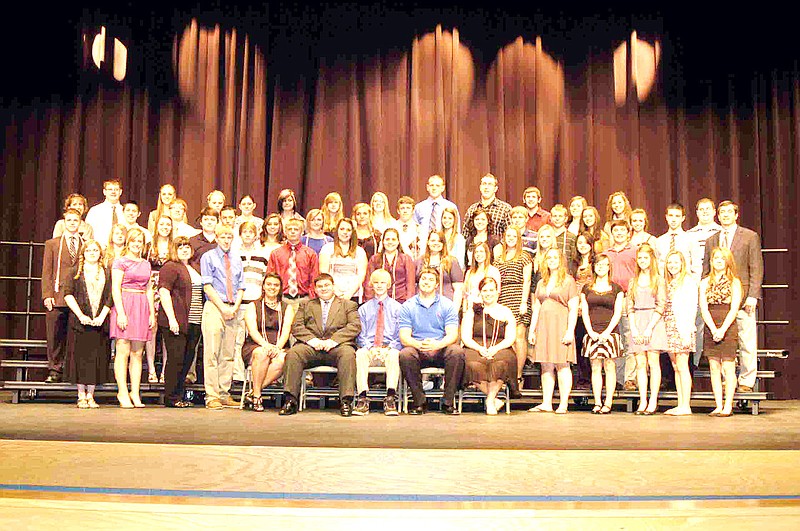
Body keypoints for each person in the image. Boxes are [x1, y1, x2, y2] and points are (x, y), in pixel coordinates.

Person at [701, 200, 763, 393]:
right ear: (717, 216)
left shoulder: (749, 237)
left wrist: (753, 295)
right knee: (721, 343)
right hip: (718, 303)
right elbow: (706, 271)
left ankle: (746, 381)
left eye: (729, 212)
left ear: (736, 215)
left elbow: (756, 268)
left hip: (743, 299)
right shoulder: (712, 240)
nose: (725, 215)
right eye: (722, 213)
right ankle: (723, 383)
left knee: (746, 340)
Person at [279, 273, 361, 416]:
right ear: (315, 290)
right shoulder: (306, 305)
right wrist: (313, 340)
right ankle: (290, 400)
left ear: (333, 286)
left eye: (326, 285)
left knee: (348, 354)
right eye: (320, 286)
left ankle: (346, 402)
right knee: (293, 353)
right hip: (312, 347)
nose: (323, 289)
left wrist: (333, 341)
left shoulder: (348, 305)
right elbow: (297, 327)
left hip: (337, 347)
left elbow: (354, 326)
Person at [398, 267, 465, 415]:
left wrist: (437, 344)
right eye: (423, 279)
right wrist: (419, 345)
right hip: (419, 349)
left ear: (436, 285)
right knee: (405, 354)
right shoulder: (407, 306)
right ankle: (419, 402)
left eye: (430, 280)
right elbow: (404, 336)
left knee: (457, 352)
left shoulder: (447, 305)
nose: (426, 282)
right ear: (418, 282)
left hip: (441, 349)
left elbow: (452, 334)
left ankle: (448, 402)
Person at [528, 249, 579, 414]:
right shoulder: (542, 282)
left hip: (560, 324)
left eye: (555, 257)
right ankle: (546, 403)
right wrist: (532, 330)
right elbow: (536, 307)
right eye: (549, 257)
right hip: (544, 325)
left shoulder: (568, 281)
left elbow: (573, 307)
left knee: (562, 364)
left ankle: (563, 403)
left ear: (561, 260)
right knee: (546, 364)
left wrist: (570, 331)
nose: (552, 260)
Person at [200, 224, 245, 410]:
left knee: (228, 353)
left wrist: (234, 307)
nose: (226, 240)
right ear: (216, 238)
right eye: (223, 237)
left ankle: (224, 392)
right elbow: (207, 286)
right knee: (212, 352)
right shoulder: (208, 257)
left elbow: (241, 286)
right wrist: (223, 307)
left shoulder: (237, 259)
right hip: (215, 306)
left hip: (232, 307)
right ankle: (212, 395)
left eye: (229, 237)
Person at [110, 227, 155, 408]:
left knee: (138, 353)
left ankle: (135, 392)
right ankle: (122, 391)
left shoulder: (146, 263)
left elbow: (149, 289)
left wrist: (152, 312)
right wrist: (120, 312)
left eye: (140, 241)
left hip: (141, 305)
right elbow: (115, 288)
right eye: (134, 241)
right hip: (125, 303)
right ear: (128, 242)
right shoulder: (120, 262)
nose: (137, 244)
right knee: (123, 351)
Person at [63, 239, 111, 408]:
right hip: (80, 322)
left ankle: (91, 395)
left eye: (95, 251)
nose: (92, 253)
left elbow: (110, 297)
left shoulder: (106, 272)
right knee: (80, 359)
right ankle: (81, 395)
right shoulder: (75, 271)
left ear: (100, 253)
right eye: (89, 250)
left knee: (95, 359)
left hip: (99, 322)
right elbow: (68, 295)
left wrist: (102, 316)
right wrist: (81, 315)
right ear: (83, 253)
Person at [158, 237, 204, 408]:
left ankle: (179, 395)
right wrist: (171, 318)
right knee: (176, 359)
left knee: (187, 359)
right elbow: (164, 292)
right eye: (180, 247)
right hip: (176, 320)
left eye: (187, 246)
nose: (184, 249)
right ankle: (171, 397)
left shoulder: (193, 268)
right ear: (174, 250)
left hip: (194, 321)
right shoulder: (170, 267)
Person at [461, 277, 518, 415]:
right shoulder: (472, 311)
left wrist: (496, 348)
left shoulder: (506, 311)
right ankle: (494, 399)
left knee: (501, 363)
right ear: (480, 293)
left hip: (501, 347)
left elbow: (511, 337)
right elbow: (466, 337)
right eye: (485, 290)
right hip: (475, 346)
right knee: (471, 364)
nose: (488, 293)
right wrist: (479, 349)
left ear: (498, 292)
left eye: (491, 290)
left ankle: (490, 400)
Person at [241, 273, 295, 412]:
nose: (272, 287)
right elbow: (252, 330)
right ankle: (258, 396)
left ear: (280, 288)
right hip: (256, 344)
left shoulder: (287, 307)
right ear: (263, 286)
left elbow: (286, 331)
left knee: (283, 358)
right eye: (269, 284)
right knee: (261, 353)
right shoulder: (253, 306)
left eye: (276, 285)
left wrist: (277, 347)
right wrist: (265, 345)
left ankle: (253, 393)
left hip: (279, 345)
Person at [42, 208, 84, 383]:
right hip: (58, 296)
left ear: (80, 223)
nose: (73, 223)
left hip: (78, 298)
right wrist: (47, 294)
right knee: (55, 335)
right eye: (69, 220)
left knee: (76, 336)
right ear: (64, 223)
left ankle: (72, 371)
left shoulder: (86, 244)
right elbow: (47, 271)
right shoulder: (53, 244)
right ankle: (54, 370)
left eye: (76, 220)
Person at [700, 247, 743, 417]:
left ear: (727, 261)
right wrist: (713, 329)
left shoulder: (735, 282)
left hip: (728, 325)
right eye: (715, 258)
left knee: (728, 367)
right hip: (711, 325)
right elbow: (704, 308)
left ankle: (728, 405)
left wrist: (723, 329)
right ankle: (718, 405)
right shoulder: (705, 282)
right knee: (714, 367)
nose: (718, 261)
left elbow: (734, 309)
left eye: (721, 258)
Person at [354, 269, 403, 416]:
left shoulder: (398, 308)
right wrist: (370, 348)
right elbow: (359, 335)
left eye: (383, 283)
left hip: (388, 349)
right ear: (371, 285)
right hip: (370, 350)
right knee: (360, 354)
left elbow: (401, 335)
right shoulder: (363, 309)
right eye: (376, 282)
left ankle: (390, 398)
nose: (379, 285)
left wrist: (388, 348)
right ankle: (362, 398)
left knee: (395, 355)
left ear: (389, 285)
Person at [626, 243, 668, 414]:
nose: (643, 261)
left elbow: (661, 305)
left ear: (651, 259)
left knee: (653, 362)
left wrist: (649, 328)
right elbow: (629, 306)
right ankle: (642, 400)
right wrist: (634, 329)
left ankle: (653, 400)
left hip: (654, 322)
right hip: (638, 320)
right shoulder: (632, 281)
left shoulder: (658, 279)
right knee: (640, 363)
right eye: (640, 258)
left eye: (646, 257)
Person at [580, 254, 624, 414]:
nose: (601, 267)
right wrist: (590, 331)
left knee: (610, 366)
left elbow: (618, 312)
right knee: (595, 366)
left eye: (605, 265)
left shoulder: (616, 288)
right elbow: (584, 312)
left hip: (610, 331)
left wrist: (607, 332)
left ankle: (608, 402)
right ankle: (597, 401)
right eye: (598, 264)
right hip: (592, 331)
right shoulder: (587, 288)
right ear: (594, 267)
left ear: (609, 267)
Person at [493, 226, 533, 387]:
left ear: (518, 238)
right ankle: (507, 375)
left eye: (513, 236)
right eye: (508, 235)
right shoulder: (498, 258)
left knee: (518, 337)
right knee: (506, 339)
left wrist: (524, 302)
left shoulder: (524, 256)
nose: (510, 238)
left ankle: (518, 376)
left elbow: (527, 280)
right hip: (503, 298)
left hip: (518, 297)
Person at [234, 221, 271, 381]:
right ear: (240, 235)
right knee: (237, 340)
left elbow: (265, 280)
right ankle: (238, 375)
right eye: (245, 232)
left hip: (255, 304)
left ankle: (254, 376)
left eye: (251, 232)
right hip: (239, 304)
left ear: (256, 235)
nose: (248, 235)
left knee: (255, 339)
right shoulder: (234, 254)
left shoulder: (263, 256)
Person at [662, 250, 698, 416]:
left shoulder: (688, 282)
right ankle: (680, 403)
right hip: (668, 326)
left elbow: (691, 308)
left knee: (683, 366)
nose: (672, 265)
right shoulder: (668, 282)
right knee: (676, 366)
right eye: (670, 262)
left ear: (683, 264)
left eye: (676, 262)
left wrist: (686, 331)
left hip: (682, 327)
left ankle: (686, 405)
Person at [686, 198, 721, 367]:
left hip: (716, 282)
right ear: (697, 212)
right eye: (701, 209)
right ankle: (697, 359)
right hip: (695, 283)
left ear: (714, 212)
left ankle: (713, 357)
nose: (705, 211)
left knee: (716, 319)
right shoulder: (689, 234)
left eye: (708, 209)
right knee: (697, 322)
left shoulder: (722, 232)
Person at [144, 215, 173, 384]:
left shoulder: (174, 246)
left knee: (168, 330)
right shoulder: (148, 246)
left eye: (168, 224)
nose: (165, 227)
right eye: (162, 224)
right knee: (152, 328)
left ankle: (165, 371)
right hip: (152, 287)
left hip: (169, 288)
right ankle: (152, 370)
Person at [267, 218, 320, 307]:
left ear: (302, 232)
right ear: (285, 232)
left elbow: (314, 278)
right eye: (289, 229)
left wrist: (312, 299)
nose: (292, 232)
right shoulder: (276, 254)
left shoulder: (310, 254)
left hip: (304, 299)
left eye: (296, 229)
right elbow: (270, 277)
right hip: (282, 299)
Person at [319, 218, 369, 303]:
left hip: (353, 295)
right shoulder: (327, 248)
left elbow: (361, 275)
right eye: (342, 229)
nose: (345, 232)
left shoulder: (360, 251)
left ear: (352, 233)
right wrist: (336, 292)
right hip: (332, 294)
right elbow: (324, 272)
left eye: (348, 230)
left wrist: (349, 294)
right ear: (337, 231)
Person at [363, 228, 415, 304]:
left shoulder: (406, 259)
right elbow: (369, 283)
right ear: (383, 241)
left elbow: (410, 284)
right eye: (387, 239)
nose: (390, 242)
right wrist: (370, 303)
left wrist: (408, 304)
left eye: (393, 239)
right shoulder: (374, 259)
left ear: (398, 242)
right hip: (379, 301)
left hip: (401, 301)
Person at [415, 230, 464, 310]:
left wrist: (454, 311)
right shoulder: (420, 261)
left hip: (445, 308)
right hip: (422, 307)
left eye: (439, 241)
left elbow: (458, 289)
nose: (436, 243)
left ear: (443, 244)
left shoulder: (451, 261)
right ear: (428, 242)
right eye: (433, 240)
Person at [462, 173, 511, 238]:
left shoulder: (505, 209)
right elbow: (465, 234)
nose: (486, 187)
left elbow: (510, 235)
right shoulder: (472, 209)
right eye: (484, 184)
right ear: (480, 187)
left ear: (495, 189)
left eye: (490, 184)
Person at [413, 174, 461, 242]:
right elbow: (414, 229)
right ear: (427, 187)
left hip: (445, 245)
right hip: (423, 246)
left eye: (437, 186)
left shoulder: (451, 206)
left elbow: (456, 229)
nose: (434, 188)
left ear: (442, 188)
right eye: (432, 185)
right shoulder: (419, 207)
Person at [655, 202, 695, 275]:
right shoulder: (659, 241)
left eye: (677, 216)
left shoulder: (690, 240)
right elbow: (656, 265)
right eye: (671, 216)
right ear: (666, 217)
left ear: (683, 218)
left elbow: (696, 266)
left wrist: (694, 283)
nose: (673, 219)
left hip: (685, 282)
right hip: (664, 283)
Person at [462, 242, 501, 312]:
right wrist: (464, 311)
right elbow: (465, 294)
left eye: (481, 251)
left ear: (486, 254)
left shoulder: (493, 271)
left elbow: (497, 293)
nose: (478, 254)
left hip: (487, 309)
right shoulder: (469, 272)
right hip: (471, 308)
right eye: (476, 252)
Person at [85, 179, 124, 248]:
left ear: (120, 192)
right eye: (110, 189)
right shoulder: (95, 211)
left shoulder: (125, 211)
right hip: (100, 251)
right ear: (104, 192)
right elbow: (88, 235)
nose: (113, 192)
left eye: (116, 189)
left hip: (121, 252)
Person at [441, 206, 466, 270]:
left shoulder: (459, 239)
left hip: (453, 272)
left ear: (454, 220)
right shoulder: (438, 236)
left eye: (450, 218)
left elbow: (460, 262)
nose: (446, 220)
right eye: (444, 218)